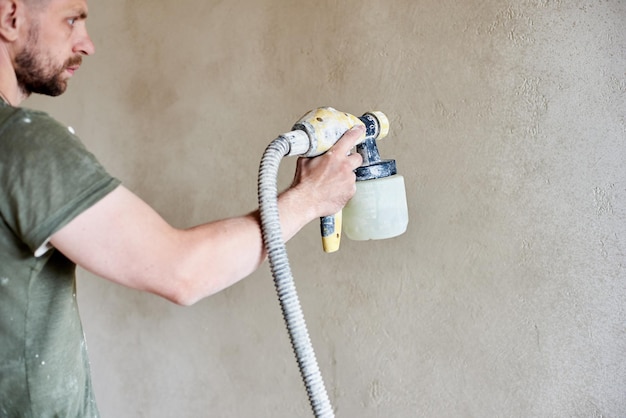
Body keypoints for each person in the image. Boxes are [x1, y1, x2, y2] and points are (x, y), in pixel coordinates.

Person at [0, 0, 365, 415]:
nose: (87, 44)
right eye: (71, 20)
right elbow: (182, 271)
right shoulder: (22, 144)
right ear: (10, 17)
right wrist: (310, 197)